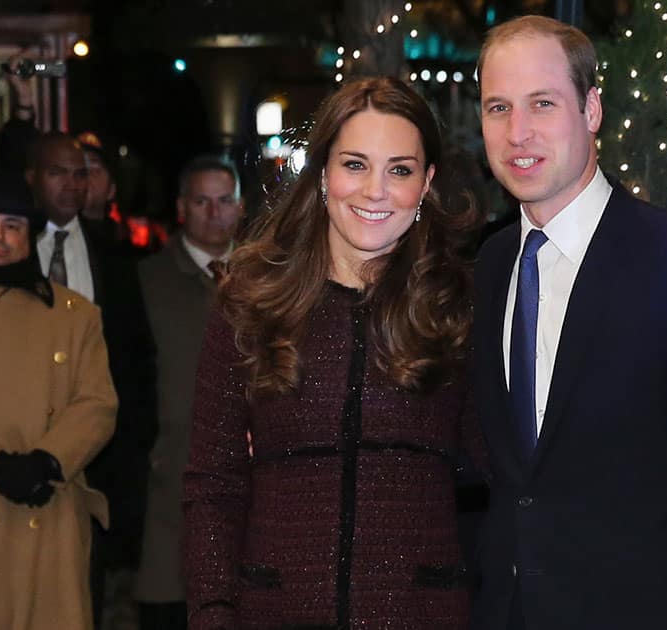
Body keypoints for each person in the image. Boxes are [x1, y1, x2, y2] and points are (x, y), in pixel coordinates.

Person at [470, 15, 667, 630]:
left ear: (591, 111)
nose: (517, 131)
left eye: (542, 103)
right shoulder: (491, 263)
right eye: (497, 107)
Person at [183, 76, 486, 630]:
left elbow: (505, 476)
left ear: (426, 183)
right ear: (322, 172)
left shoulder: (460, 308)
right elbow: (213, 485)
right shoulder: (250, 303)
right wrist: (213, 615)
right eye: (355, 164)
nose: (375, 190)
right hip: (273, 612)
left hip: (423, 614)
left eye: (400, 169)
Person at [0, 169, 117, 629]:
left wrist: (47, 462)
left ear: (29, 237)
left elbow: (97, 402)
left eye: (12, 226)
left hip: (47, 505)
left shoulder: (75, 315)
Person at [25, 132, 157, 628]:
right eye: (59, 172)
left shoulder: (117, 255)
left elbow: (138, 358)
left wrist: (139, 442)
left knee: (91, 588)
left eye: (81, 173)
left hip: (103, 457)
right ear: (33, 180)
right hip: (23, 447)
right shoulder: (10, 251)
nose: (73, 185)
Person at [135, 154, 245, 630]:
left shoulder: (272, 277)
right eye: (202, 201)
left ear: (240, 208)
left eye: (224, 201)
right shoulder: (147, 280)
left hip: (255, 482)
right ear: (182, 207)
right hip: (169, 481)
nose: (214, 212)